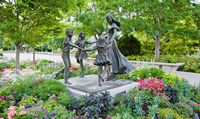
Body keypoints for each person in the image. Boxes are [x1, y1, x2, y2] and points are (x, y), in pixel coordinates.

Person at [105, 13, 135, 80]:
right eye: (107, 19)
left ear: (112, 18)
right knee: (112, 57)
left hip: (112, 43)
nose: (108, 20)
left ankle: (116, 71)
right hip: (109, 42)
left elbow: (115, 33)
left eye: (109, 18)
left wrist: (111, 40)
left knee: (114, 56)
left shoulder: (114, 25)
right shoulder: (110, 26)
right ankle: (114, 73)